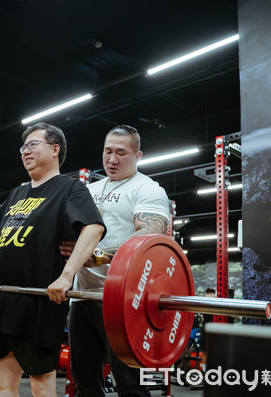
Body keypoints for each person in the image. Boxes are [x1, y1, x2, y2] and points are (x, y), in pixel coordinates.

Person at [0, 122, 105, 396]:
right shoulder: (16, 193)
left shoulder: (70, 189)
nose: (26, 151)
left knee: (39, 382)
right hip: (0, 298)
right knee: (1, 378)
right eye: (23, 147)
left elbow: (93, 227)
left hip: (39, 299)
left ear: (55, 149)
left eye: (33, 144)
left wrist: (67, 275)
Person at [61, 125, 170, 397]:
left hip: (123, 298)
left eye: (121, 153)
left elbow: (147, 237)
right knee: (84, 381)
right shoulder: (88, 190)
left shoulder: (148, 189)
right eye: (108, 151)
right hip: (82, 296)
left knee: (130, 386)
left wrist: (97, 256)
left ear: (138, 155)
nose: (112, 159)